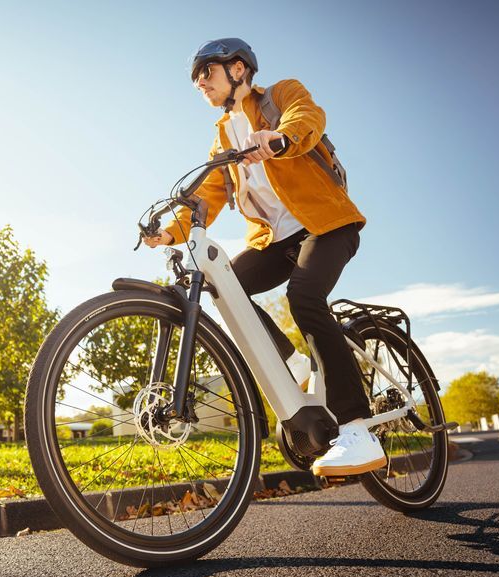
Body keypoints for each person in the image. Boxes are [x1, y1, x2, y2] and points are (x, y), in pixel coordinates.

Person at [142, 38, 383, 477]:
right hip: (272, 241)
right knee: (225, 287)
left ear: (237, 69)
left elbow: (307, 117)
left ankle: (357, 429)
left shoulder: (280, 96)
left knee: (304, 298)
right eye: (195, 80)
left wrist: (279, 138)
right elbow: (209, 195)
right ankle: (293, 364)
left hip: (326, 226)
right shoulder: (222, 136)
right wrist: (169, 231)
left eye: (205, 73)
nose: (199, 84)